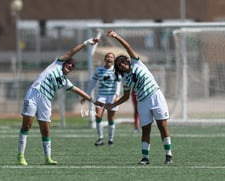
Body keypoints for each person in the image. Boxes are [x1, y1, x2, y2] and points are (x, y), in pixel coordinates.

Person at [17, 38, 100, 166]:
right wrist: (86, 43)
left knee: (45, 131)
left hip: (46, 101)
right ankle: (21, 156)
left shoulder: (65, 81)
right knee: (26, 126)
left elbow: (77, 90)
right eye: (69, 64)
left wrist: (93, 101)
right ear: (64, 63)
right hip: (34, 94)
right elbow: (72, 52)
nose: (70, 66)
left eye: (72, 67)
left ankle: (47, 158)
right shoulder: (56, 64)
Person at [105, 31, 173, 165]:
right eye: (119, 65)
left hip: (155, 96)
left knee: (162, 126)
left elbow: (128, 47)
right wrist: (113, 105)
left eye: (122, 62)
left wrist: (117, 36)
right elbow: (125, 96)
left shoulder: (137, 63)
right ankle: (145, 157)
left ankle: (168, 155)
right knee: (145, 130)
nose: (122, 65)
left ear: (127, 61)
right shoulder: (125, 79)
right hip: (142, 102)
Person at [82, 52, 121, 146]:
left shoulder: (116, 70)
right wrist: (86, 95)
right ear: (105, 59)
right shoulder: (99, 70)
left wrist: (117, 95)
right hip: (101, 96)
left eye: (111, 57)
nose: (109, 58)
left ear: (113, 60)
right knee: (98, 116)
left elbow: (118, 84)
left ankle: (111, 139)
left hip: (112, 97)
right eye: (107, 57)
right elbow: (92, 83)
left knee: (110, 118)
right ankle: (101, 138)